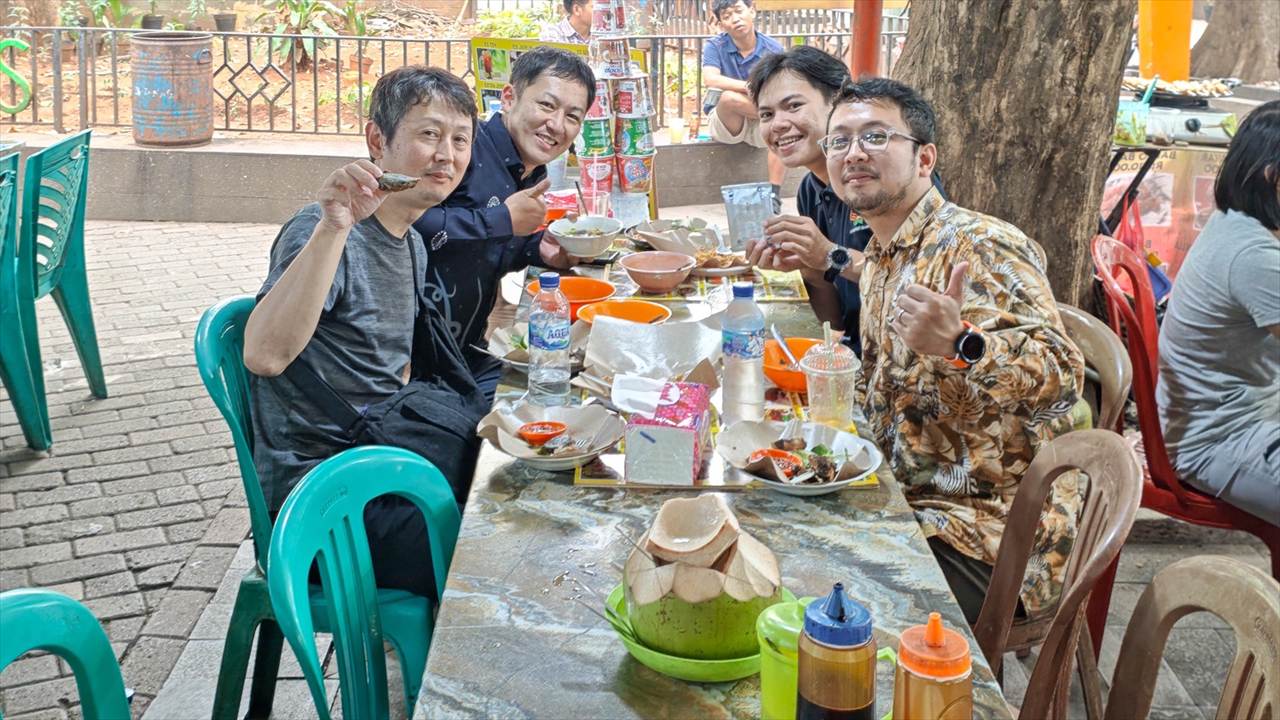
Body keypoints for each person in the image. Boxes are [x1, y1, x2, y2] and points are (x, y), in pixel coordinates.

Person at [823, 78, 1085, 623]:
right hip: (905, 500)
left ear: (925, 159)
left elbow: (1063, 375)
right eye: (839, 140)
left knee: (821, 612)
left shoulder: (979, 244)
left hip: (988, 536)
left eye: (876, 136)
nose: (854, 153)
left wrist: (961, 345)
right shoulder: (882, 255)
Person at [243, 67, 480, 599]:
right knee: (490, 548)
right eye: (429, 134)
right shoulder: (326, 231)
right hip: (323, 502)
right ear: (377, 140)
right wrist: (333, 226)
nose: (446, 155)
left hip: (384, 467)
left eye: (460, 140)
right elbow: (262, 354)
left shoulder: (410, 243)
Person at [412, 46, 593, 403]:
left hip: (463, 354)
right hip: (412, 364)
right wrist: (501, 220)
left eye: (572, 116)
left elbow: (485, 248)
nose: (557, 125)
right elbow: (411, 220)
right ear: (509, 98)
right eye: (547, 105)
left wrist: (537, 248)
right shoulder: (464, 146)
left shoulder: (530, 170)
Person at [1157, 100, 1280, 526]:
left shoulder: (1239, 221)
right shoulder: (1253, 254)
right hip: (1221, 439)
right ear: (1272, 176)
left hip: (1247, 414)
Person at [701, 0, 785, 209]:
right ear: (721, 24)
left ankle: (774, 194)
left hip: (760, 121)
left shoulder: (773, 48)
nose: (735, 19)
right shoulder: (715, 46)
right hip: (728, 123)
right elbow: (711, 79)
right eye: (727, 16)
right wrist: (748, 87)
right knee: (729, 98)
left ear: (752, 11)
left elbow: (779, 88)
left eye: (738, 11)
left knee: (780, 129)